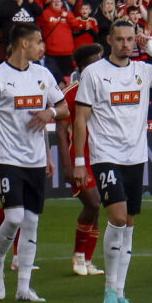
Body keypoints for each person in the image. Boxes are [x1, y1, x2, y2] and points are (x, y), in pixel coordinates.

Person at [70, 18, 152, 303]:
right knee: (119, 218)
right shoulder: (94, 74)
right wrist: (80, 162)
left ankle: (120, 292)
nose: (125, 44)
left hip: (136, 156)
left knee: (130, 225)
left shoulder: (143, 70)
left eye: (129, 39)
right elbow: (80, 119)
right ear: (109, 41)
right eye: (119, 39)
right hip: (106, 155)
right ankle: (109, 289)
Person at [0, 21, 66, 302]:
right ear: (24, 43)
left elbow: (63, 107)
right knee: (14, 217)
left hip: (36, 159)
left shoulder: (43, 75)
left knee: (31, 222)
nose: (43, 47)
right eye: (39, 41)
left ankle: (24, 287)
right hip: (7, 158)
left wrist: (49, 114)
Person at [60, 42, 106, 276]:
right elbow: (61, 129)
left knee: (97, 208)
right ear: (85, 67)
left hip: (102, 154)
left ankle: (88, 260)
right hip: (80, 157)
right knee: (93, 203)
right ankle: (78, 255)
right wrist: (67, 164)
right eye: (97, 61)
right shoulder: (71, 93)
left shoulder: (105, 87)